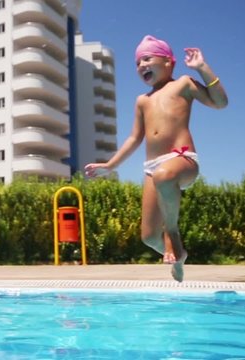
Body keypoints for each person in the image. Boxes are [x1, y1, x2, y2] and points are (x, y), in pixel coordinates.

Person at [84, 35, 228, 282]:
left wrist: (202, 68)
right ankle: (178, 255)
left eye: (148, 58)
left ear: (169, 62)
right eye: (138, 62)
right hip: (153, 168)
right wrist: (110, 165)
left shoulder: (183, 84)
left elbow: (220, 103)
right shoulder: (143, 100)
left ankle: (173, 234)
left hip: (182, 159)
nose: (141, 65)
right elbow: (134, 139)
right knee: (149, 237)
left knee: (164, 176)